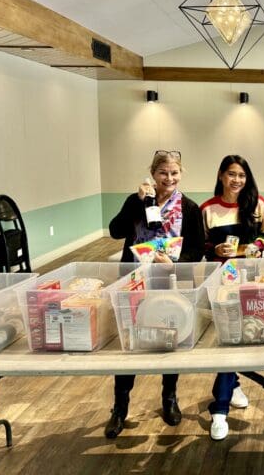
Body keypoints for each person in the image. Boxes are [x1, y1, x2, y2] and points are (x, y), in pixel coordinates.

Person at [105, 149, 205, 438]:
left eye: (174, 173)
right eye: (163, 173)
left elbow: (197, 250)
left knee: (169, 338)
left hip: (168, 282)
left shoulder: (189, 208)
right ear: (153, 173)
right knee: (130, 343)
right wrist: (136, 203)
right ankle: (119, 407)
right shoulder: (135, 202)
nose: (169, 178)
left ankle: (169, 398)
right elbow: (115, 231)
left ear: (181, 174)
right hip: (133, 282)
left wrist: (175, 262)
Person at [202, 155, 264, 441]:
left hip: (252, 281)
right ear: (221, 175)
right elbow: (201, 245)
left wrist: (251, 247)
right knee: (228, 342)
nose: (237, 180)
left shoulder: (257, 204)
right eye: (231, 174)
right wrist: (215, 250)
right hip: (221, 285)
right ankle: (219, 410)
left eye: (242, 175)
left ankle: (231, 387)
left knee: (238, 339)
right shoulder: (208, 208)